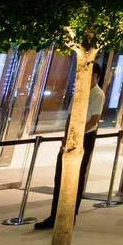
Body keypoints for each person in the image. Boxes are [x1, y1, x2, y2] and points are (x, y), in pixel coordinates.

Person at [35, 62, 105, 230]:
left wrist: (76, 137)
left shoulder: (97, 94)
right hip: (72, 137)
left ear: (95, 75)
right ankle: (55, 215)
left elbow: (93, 121)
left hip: (85, 138)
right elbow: (70, 116)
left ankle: (69, 215)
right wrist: (67, 137)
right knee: (60, 177)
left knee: (77, 177)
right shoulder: (79, 93)